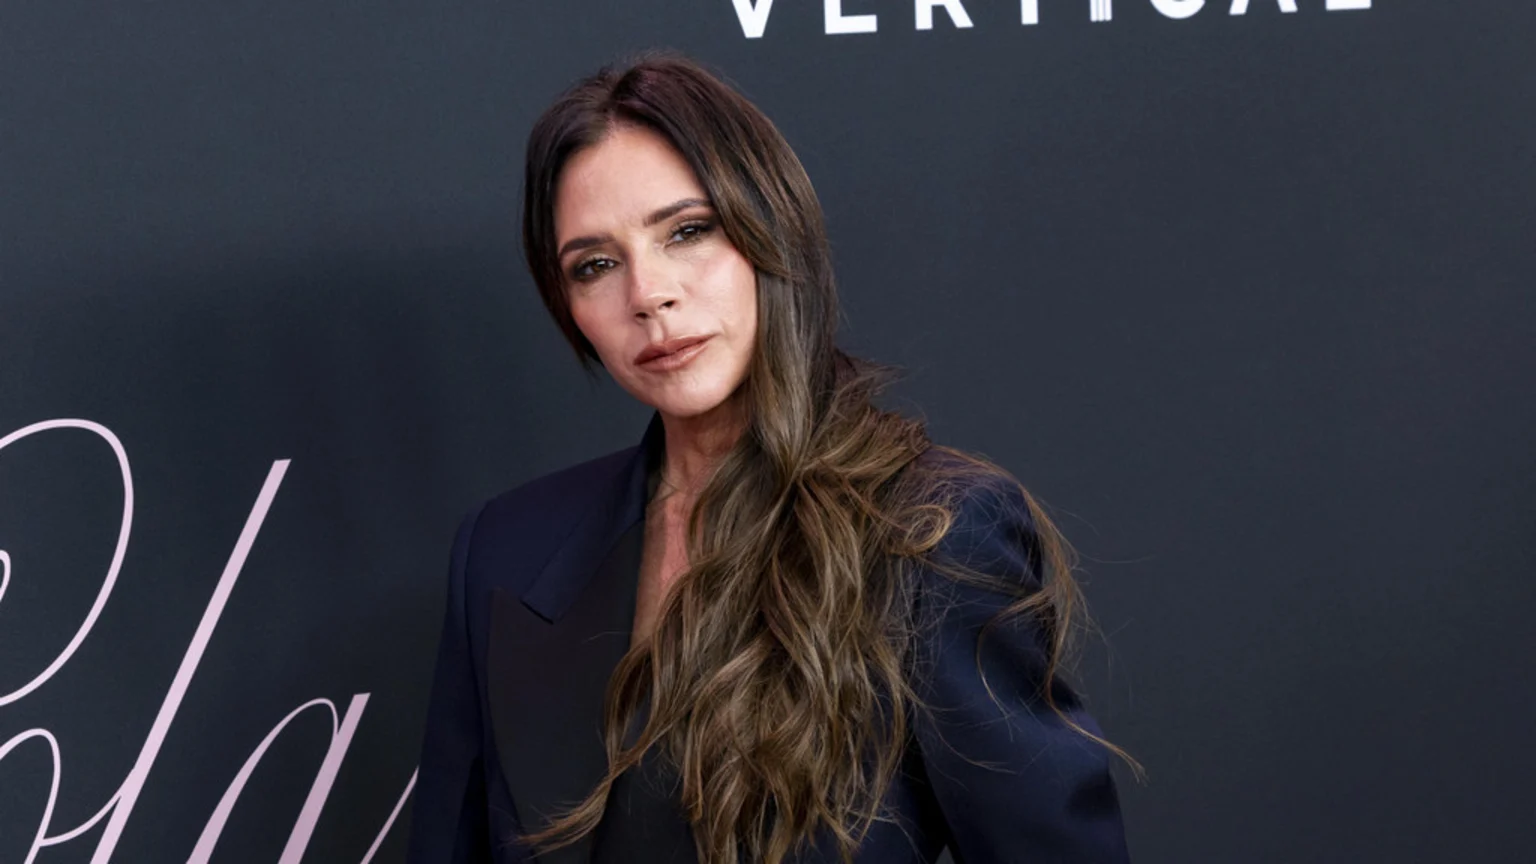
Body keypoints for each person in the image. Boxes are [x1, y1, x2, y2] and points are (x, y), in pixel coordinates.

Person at [406, 51, 1135, 864]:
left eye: (688, 231)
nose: (647, 294)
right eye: (596, 265)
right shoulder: (504, 549)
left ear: (769, 228)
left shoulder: (933, 534)